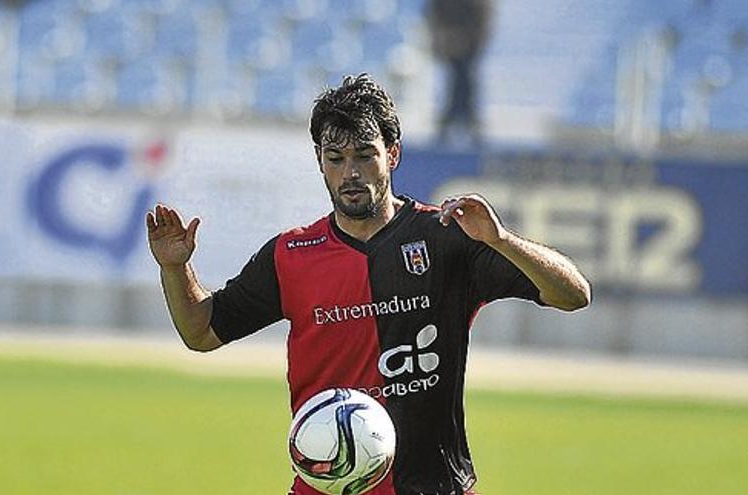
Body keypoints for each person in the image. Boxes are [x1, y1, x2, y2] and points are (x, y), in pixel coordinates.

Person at [146, 74, 591, 495]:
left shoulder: (445, 237)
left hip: (432, 486)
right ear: (319, 161)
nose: (350, 173)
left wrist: (502, 240)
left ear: (392, 154)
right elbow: (201, 332)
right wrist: (174, 269)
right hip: (326, 487)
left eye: (364, 155)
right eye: (335, 159)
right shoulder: (290, 255)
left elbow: (573, 294)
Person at [426, 0, 492, 148]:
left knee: (465, 78)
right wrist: (444, 35)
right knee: (458, 79)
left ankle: (462, 121)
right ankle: (457, 121)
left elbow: (483, 15)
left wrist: (470, 37)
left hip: (470, 40)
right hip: (451, 37)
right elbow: (436, 13)